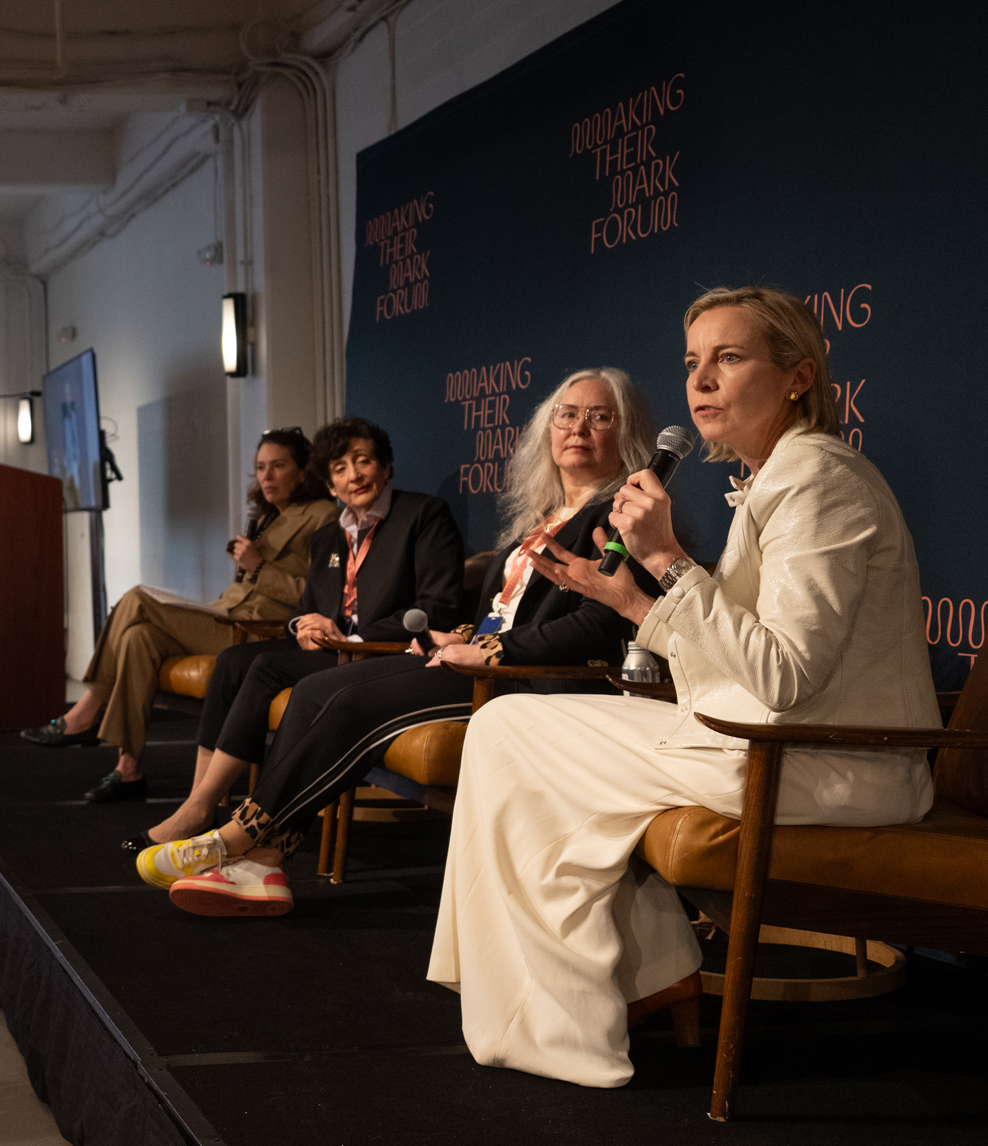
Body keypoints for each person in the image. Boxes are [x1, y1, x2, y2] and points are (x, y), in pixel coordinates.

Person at [427, 289, 938, 1088]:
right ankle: (638, 975)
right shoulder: (778, 477)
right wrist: (629, 602)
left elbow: (781, 676)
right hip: (772, 742)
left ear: (798, 376)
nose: (701, 380)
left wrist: (665, 563)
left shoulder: (818, 481)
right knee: (512, 730)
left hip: (832, 766)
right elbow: (742, 667)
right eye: (693, 362)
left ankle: (572, 1017)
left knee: (507, 732)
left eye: (729, 358)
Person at [141, 370, 662, 907]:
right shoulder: (542, 517)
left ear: (625, 434)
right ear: (546, 432)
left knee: (350, 700)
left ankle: (238, 838)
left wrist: (491, 649)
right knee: (317, 690)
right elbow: (497, 615)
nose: (579, 427)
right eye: (567, 414)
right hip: (481, 663)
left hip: (520, 680)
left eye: (600, 416)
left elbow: (598, 624)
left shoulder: (623, 512)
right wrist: (453, 636)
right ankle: (266, 864)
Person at [116, 415, 466, 815]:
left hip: (382, 652)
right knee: (231, 663)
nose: (354, 475)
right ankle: (201, 800)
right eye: (339, 468)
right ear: (331, 484)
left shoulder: (423, 516)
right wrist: (303, 625)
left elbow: (436, 607)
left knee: (265, 666)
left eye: (363, 460)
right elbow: (304, 610)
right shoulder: (328, 537)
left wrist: (354, 637)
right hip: (332, 649)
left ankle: (218, 810)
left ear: (385, 466)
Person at [23, 428, 336, 778]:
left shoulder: (323, 515)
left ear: (303, 471)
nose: (266, 475)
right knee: (137, 637)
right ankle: (128, 768)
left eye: (278, 466)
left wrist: (259, 566)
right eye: (261, 467)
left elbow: (315, 593)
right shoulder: (267, 517)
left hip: (257, 632)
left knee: (138, 598)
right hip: (226, 614)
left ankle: (85, 711)